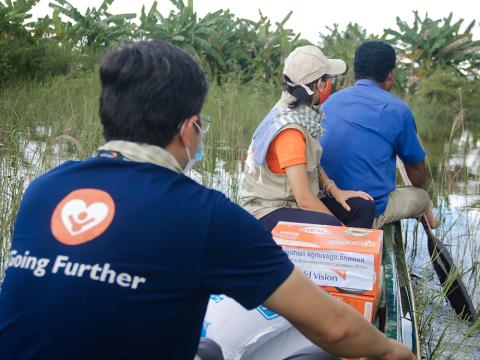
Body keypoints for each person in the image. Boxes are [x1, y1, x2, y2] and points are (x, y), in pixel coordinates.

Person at [0, 40, 415, 360]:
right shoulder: (204, 214)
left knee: (209, 350)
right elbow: (336, 329)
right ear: (187, 129)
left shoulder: (45, 189)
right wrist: (393, 350)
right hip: (272, 217)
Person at [240, 45, 376, 231]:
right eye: (327, 79)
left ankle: (345, 257)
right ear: (319, 85)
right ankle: (345, 253)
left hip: (292, 201)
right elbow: (304, 199)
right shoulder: (290, 131)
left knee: (362, 208)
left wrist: (335, 191)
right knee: (330, 226)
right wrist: (344, 232)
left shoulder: (300, 112)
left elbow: (310, 164)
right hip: (270, 209)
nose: (330, 84)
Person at [320, 41, 437, 229]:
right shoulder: (398, 110)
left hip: (326, 201)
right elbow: (416, 171)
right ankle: (428, 213)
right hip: (366, 210)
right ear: (390, 74)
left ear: (356, 71)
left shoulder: (329, 102)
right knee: (421, 197)